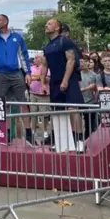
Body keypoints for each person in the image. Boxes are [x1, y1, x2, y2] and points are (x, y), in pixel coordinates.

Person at [40, 19, 84, 151]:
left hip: (69, 80)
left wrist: (65, 80)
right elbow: (44, 65)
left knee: (73, 109)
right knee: (57, 111)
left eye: (49, 23)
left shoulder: (64, 40)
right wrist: (43, 83)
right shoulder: (47, 46)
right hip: (54, 81)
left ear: (58, 27)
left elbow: (70, 61)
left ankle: (79, 141)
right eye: (46, 23)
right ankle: (60, 141)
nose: (46, 25)